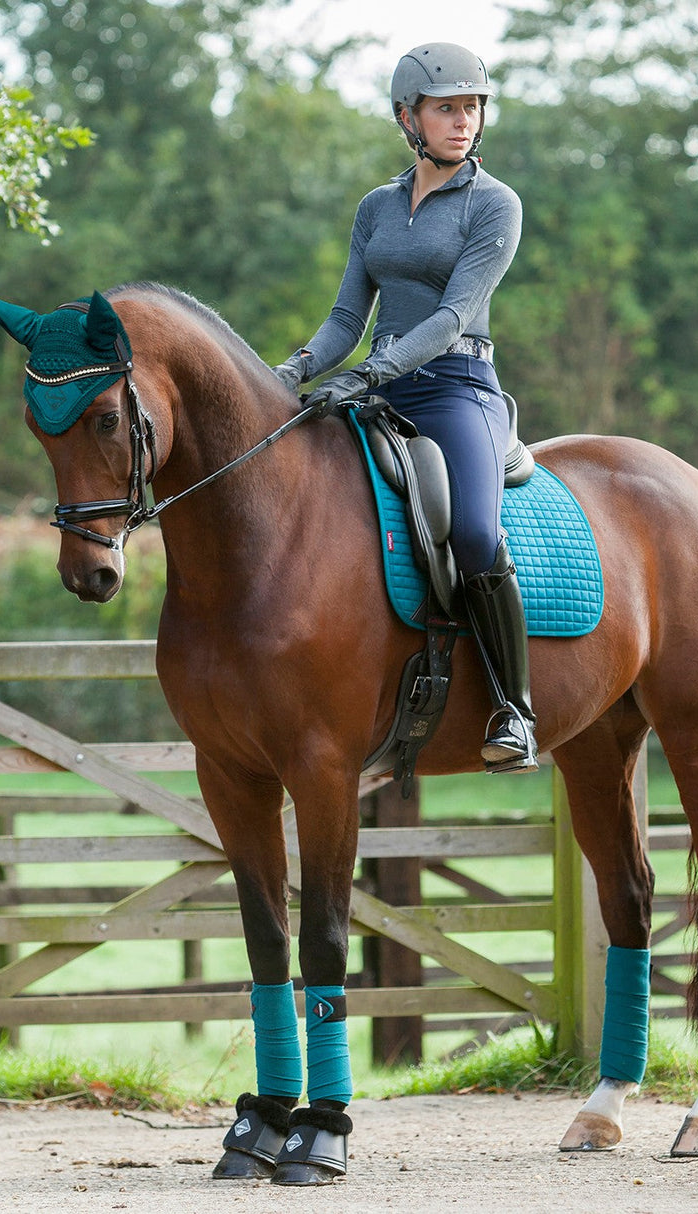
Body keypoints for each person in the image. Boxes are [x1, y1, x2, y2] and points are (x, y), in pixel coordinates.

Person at [272, 41, 536, 773]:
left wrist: (368, 373)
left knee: (475, 533)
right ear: (407, 118)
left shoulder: (495, 204)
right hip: (382, 390)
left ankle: (514, 710)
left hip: (457, 389)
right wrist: (287, 372)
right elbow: (344, 319)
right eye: (447, 108)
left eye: (472, 107)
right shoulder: (377, 207)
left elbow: (452, 319)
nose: (463, 121)